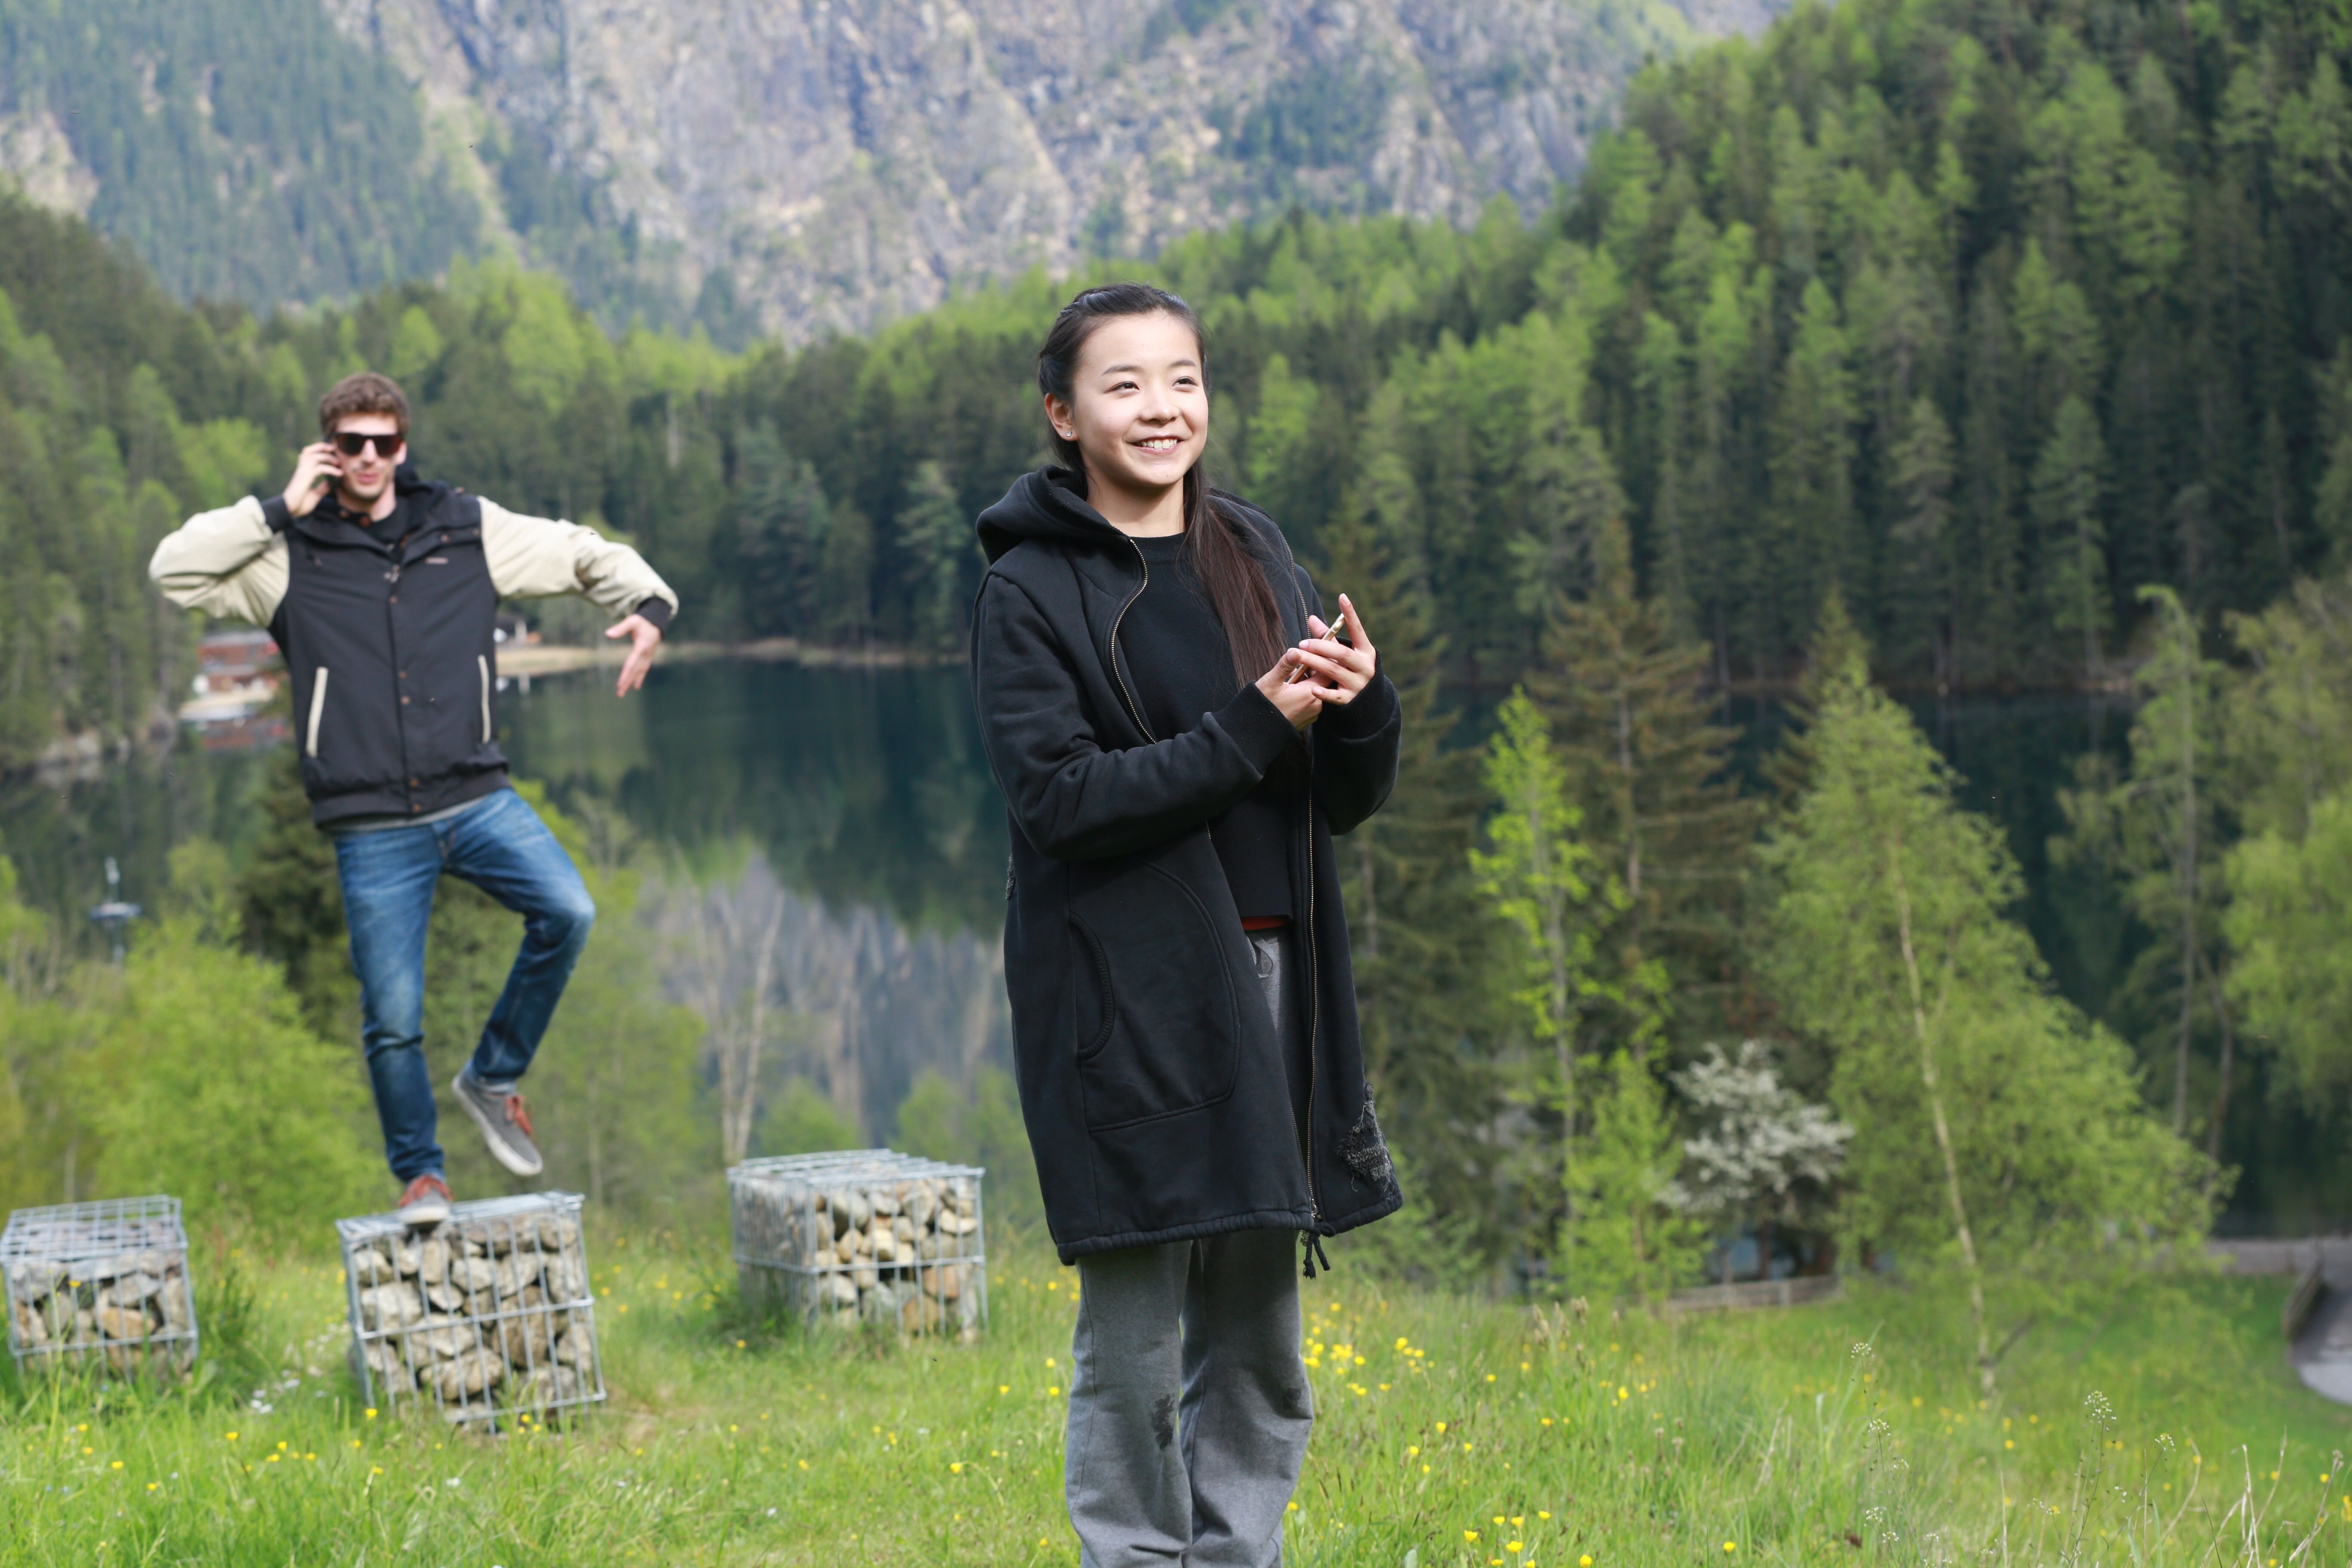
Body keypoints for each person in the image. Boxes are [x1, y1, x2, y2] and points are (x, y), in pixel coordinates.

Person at [971, 284, 1403, 1567]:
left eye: (1184, 379)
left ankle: (1238, 1554)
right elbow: (1060, 803)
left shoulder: (1255, 550)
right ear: (1064, 414)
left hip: (1275, 978)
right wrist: (1255, 724)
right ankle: (1135, 1557)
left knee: (1260, 1328)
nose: (1163, 408)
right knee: (1138, 1326)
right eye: (1125, 384)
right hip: (1126, 995)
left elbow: (1342, 797)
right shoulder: (1031, 589)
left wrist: (1361, 707)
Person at [149, 372, 678, 1227]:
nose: (368, 458)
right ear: (327, 449)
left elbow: (580, 551)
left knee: (570, 911)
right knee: (392, 1018)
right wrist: (279, 505)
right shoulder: (287, 555)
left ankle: (495, 1075)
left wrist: (648, 602)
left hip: (475, 797)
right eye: (350, 443)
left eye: (383, 443)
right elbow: (173, 570)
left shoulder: (465, 528)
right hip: (371, 826)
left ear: (403, 447)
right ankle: (422, 1177)